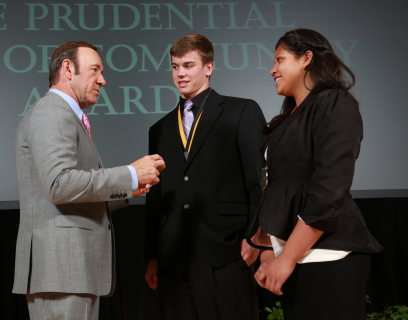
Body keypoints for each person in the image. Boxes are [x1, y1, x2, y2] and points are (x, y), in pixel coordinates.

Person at [12, 41, 165, 320]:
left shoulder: (67, 114)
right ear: (68, 69)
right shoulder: (52, 111)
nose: (103, 80)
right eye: (95, 70)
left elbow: (69, 190)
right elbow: (59, 184)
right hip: (62, 270)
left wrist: (128, 187)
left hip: (70, 272)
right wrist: (129, 174)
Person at [247, 29, 383, 320]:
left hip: (329, 259)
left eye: (279, 59)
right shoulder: (288, 118)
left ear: (307, 58)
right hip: (297, 260)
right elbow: (277, 189)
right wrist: (268, 249)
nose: (272, 70)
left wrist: (287, 257)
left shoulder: (335, 102)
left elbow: (328, 191)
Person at [144, 34, 266, 320]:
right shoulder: (159, 129)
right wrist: (152, 255)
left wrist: (255, 237)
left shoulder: (241, 110)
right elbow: (156, 196)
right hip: (173, 255)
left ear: (208, 67)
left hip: (226, 249)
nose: (180, 74)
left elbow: (258, 181)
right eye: (175, 67)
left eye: (188, 65)